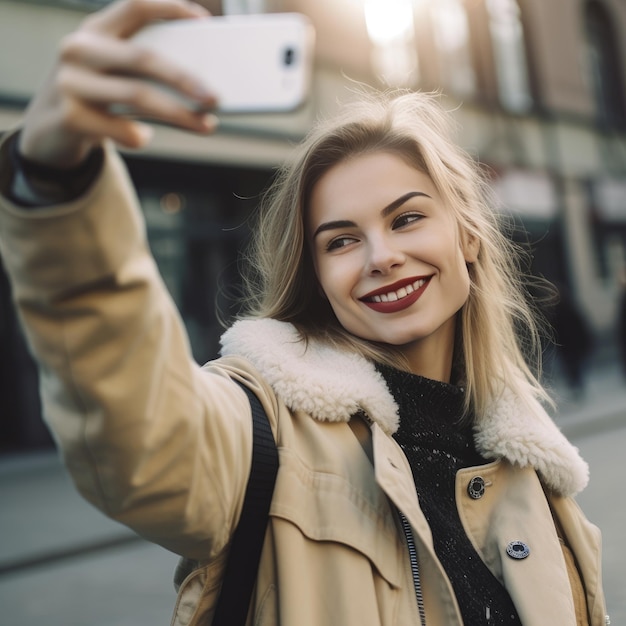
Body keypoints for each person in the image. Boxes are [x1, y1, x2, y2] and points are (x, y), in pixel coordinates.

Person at [0, 1, 608, 624]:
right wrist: (57, 186)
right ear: (316, 275)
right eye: (341, 240)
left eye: (407, 218)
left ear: (469, 237)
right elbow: (142, 434)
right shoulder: (261, 426)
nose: (381, 256)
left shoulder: (537, 468)